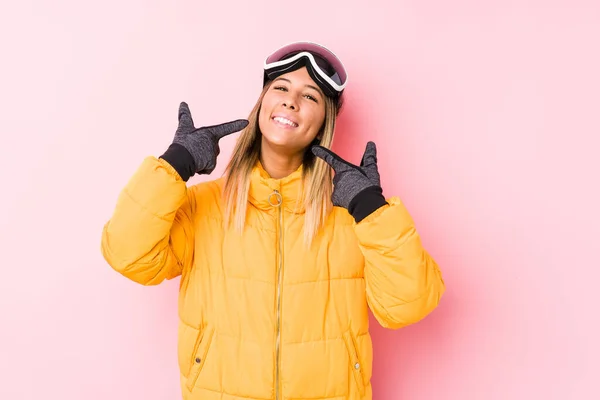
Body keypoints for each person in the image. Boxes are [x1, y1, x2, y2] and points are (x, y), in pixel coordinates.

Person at [101, 41, 445, 400]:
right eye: (280, 87)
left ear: (324, 121)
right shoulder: (204, 206)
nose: (290, 101)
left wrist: (370, 207)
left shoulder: (350, 219)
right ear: (263, 102)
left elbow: (409, 304)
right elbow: (128, 255)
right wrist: (175, 163)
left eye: (310, 96)